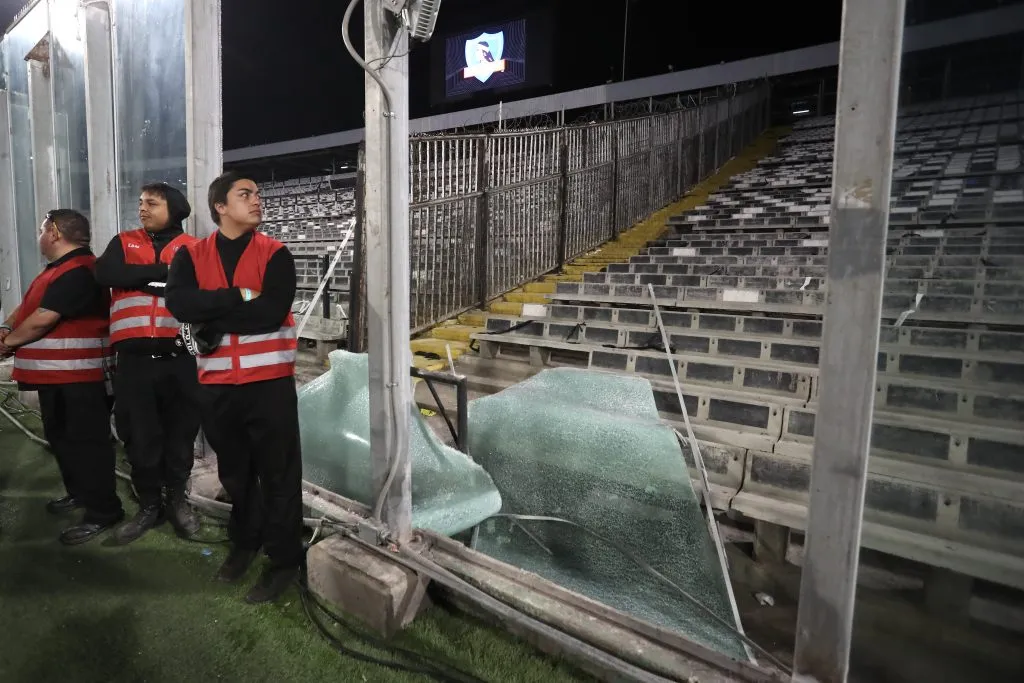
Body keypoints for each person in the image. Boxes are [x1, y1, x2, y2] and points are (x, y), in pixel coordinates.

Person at [166, 172, 303, 604]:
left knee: (279, 476)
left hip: (270, 386)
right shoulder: (192, 256)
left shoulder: (276, 253)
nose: (257, 200)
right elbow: (179, 304)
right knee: (236, 474)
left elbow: (270, 311)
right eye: (246, 195)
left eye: (258, 194)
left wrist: (210, 313)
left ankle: (283, 559)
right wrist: (239, 295)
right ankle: (245, 542)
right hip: (217, 387)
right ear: (220, 206)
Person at [0, 210, 124, 545]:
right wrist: (6, 329)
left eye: (42, 229)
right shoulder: (56, 271)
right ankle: (81, 493)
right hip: (60, 378)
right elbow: (27, 309)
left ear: (54, 232)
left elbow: (43, 318)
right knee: (63, 439)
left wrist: (7, 344)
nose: (39, 236)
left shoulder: (80, 270)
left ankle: (104, 511)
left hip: (81, 377)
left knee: (88, 445)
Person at [95, 182, 201, 544]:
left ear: (173, 209)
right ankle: (149, 506)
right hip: (134, 363)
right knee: (139, 436)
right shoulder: (123, 242)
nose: (142, 208)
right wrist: (159, 273)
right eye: (141, 203)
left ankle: (178, 502)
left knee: (180, 434)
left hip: (180, 359)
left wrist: (141, 278)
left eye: (151, 203)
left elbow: (198, 290)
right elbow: (107, 275)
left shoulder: (194, 249)